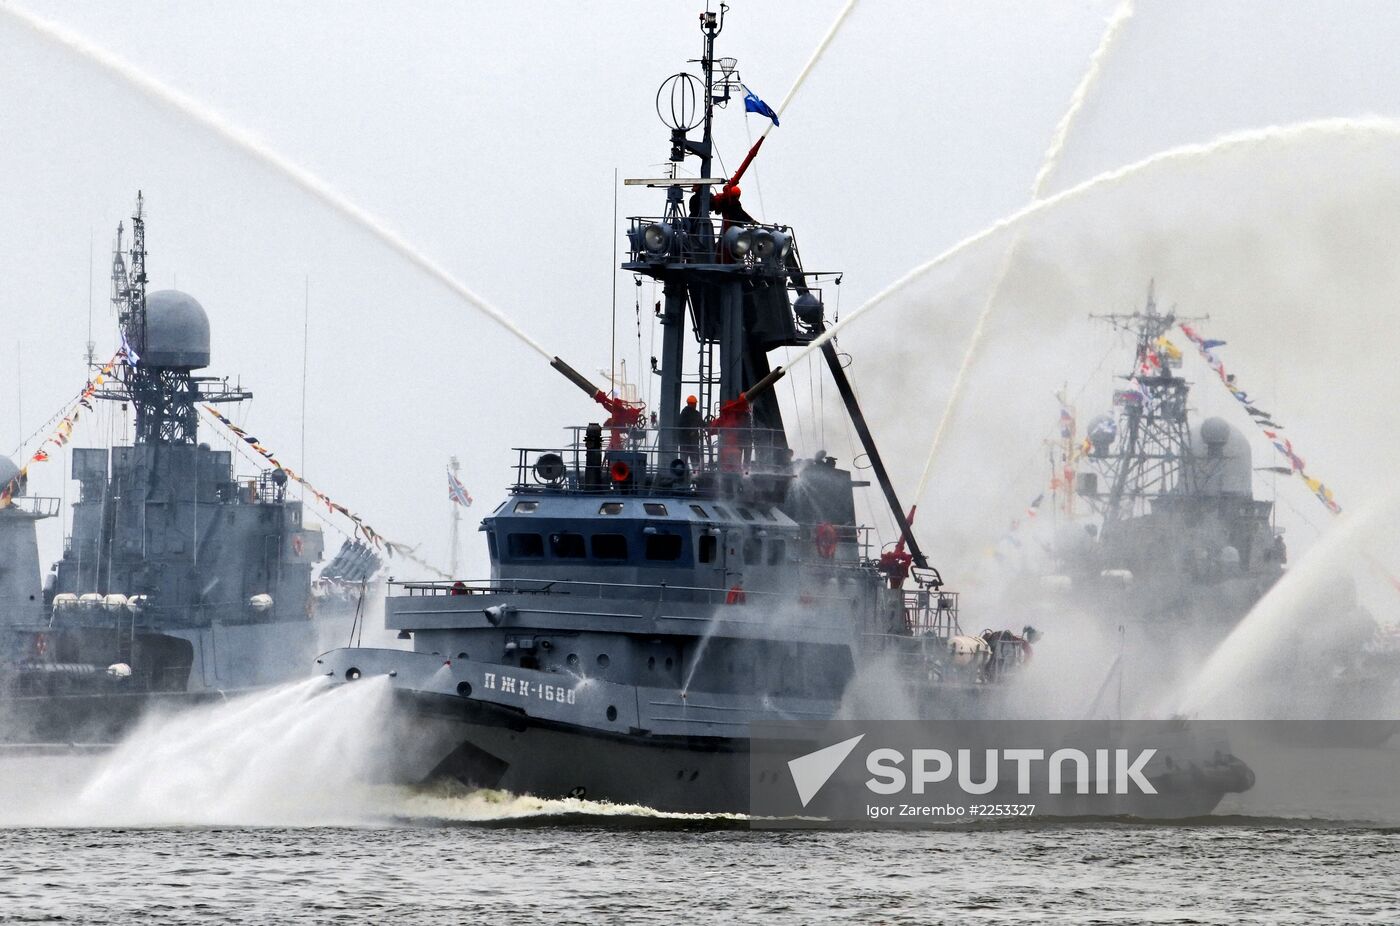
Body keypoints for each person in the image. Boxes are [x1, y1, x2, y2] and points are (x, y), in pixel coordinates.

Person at [678, 395, 704, 468]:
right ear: (692, 404)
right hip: (692, 442)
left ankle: (684, 474)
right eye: (694, 404)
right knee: (695, 460)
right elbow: (702, 424)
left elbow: (680, 425)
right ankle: (695, 476)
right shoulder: (696, 414)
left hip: (685, 442)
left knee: (684, 460)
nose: (695, 405)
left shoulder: (683, 413)